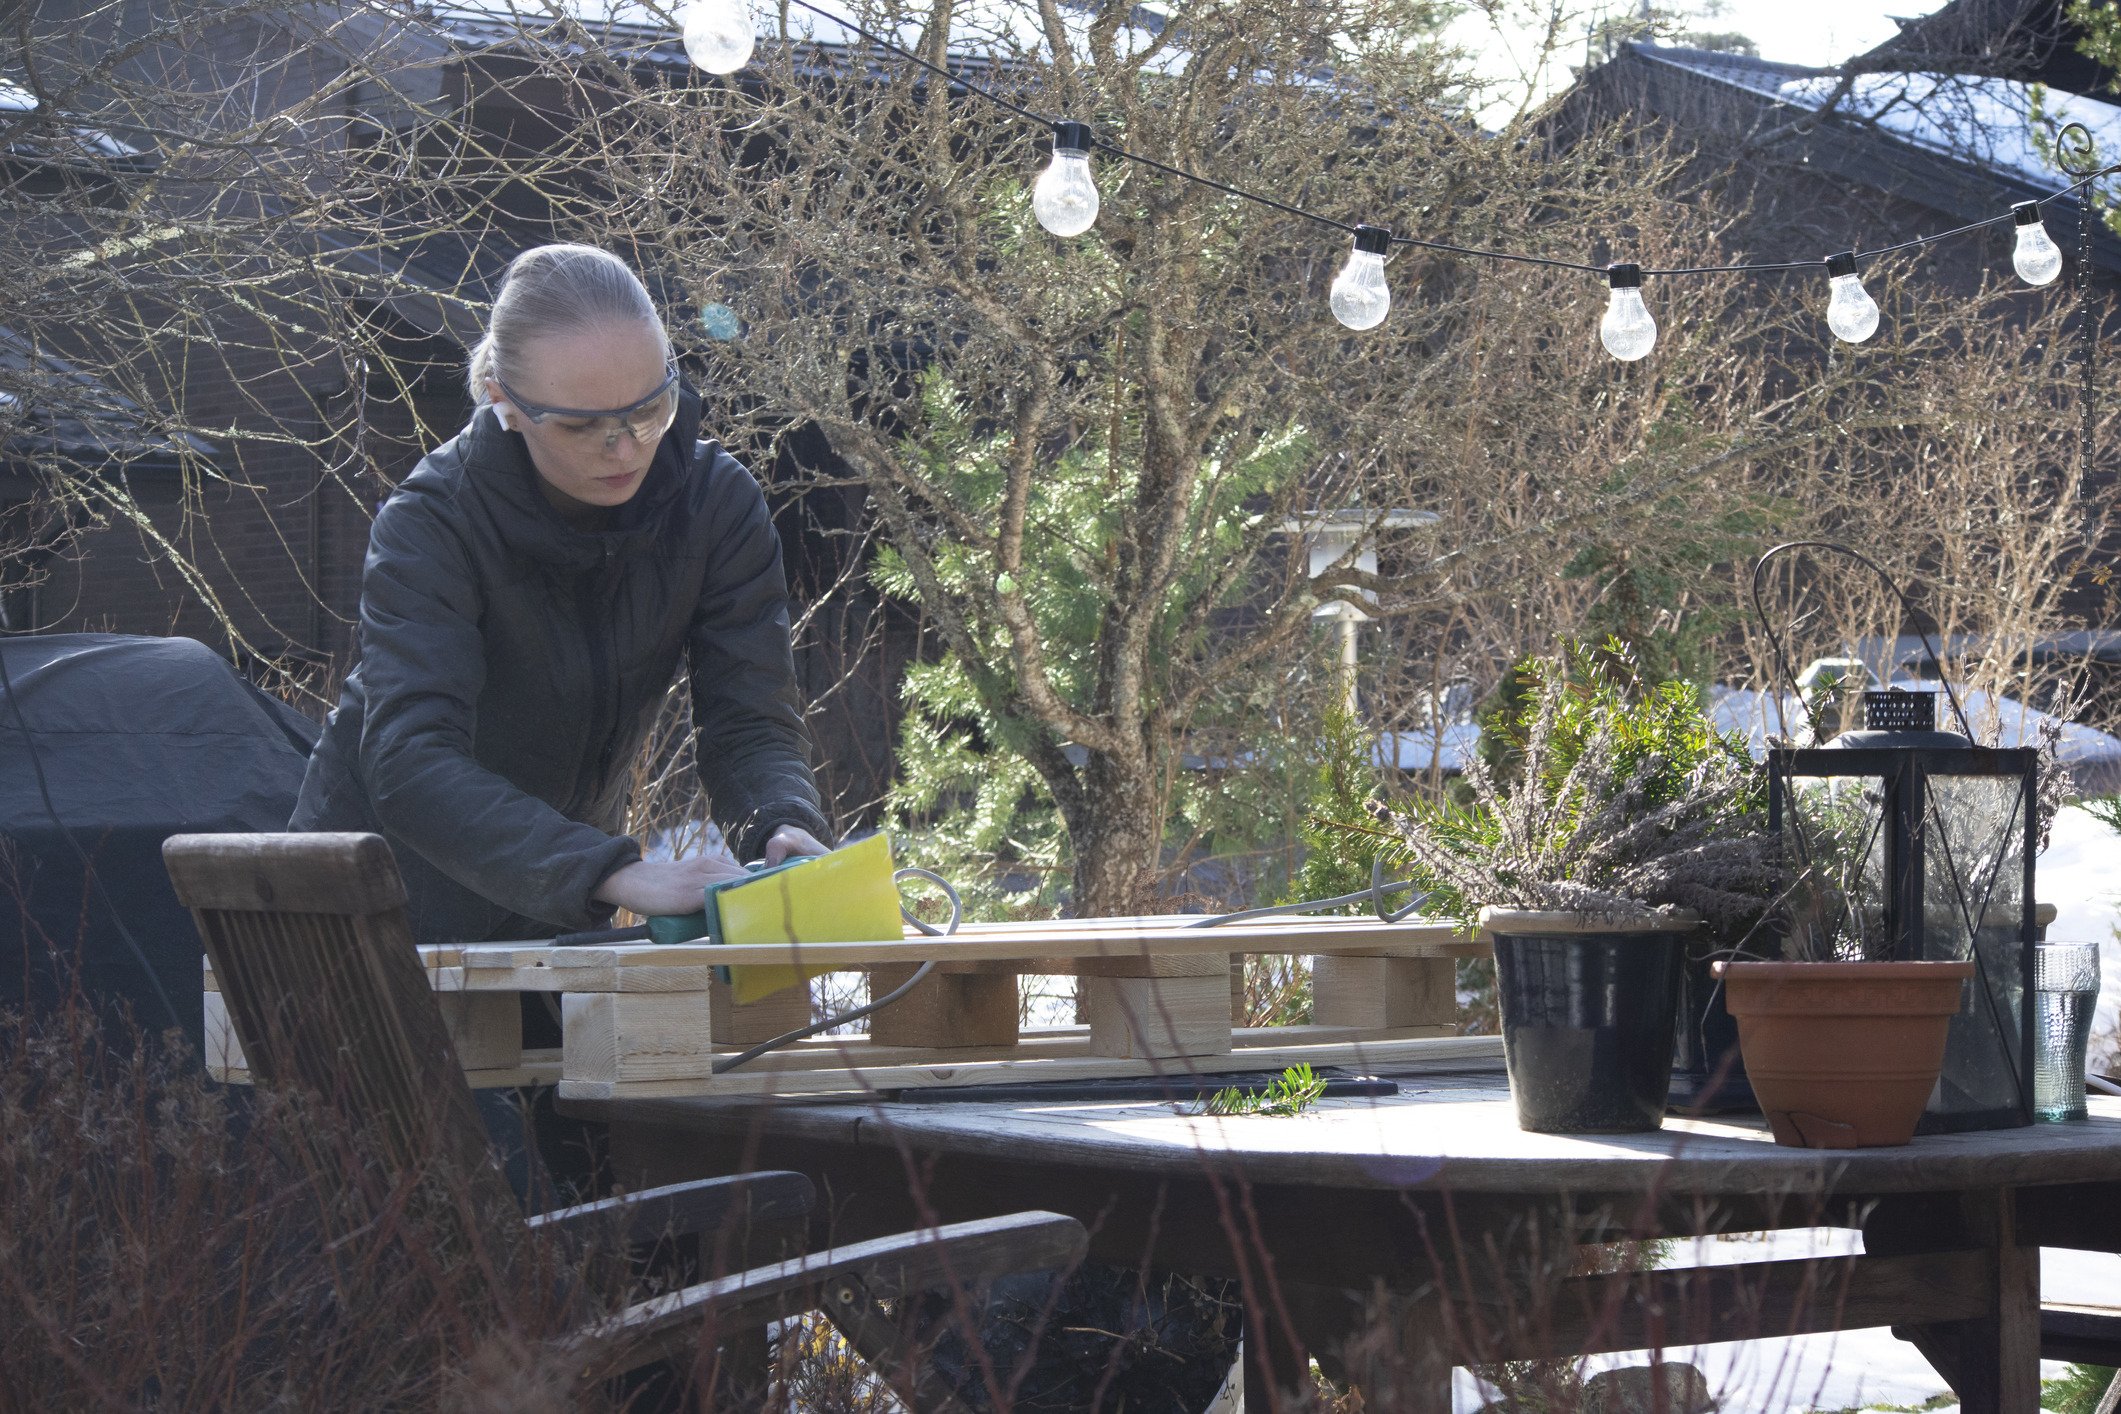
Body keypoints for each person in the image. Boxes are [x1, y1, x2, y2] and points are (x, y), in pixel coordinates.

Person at [292, 243, 834, 947]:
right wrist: (610, 870)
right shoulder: (432, 522)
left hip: (559, 908)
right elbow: (409, 761)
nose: (627, 448)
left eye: (651, 408)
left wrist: (781, 822)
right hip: (370, 911)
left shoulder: (716, 505)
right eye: (583, 425)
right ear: (504, 404)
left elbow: (749, 719)